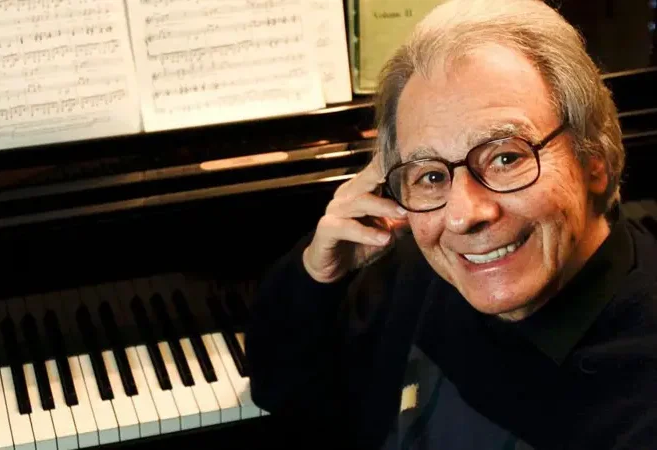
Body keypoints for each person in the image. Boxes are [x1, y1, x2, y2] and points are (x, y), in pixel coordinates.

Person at [245, 0, 657, 449]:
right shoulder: (414, 264)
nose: (462, 216)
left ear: (594, 160)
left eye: (506, 158)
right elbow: (281, 389)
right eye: (431, 176)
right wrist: (316, 276)